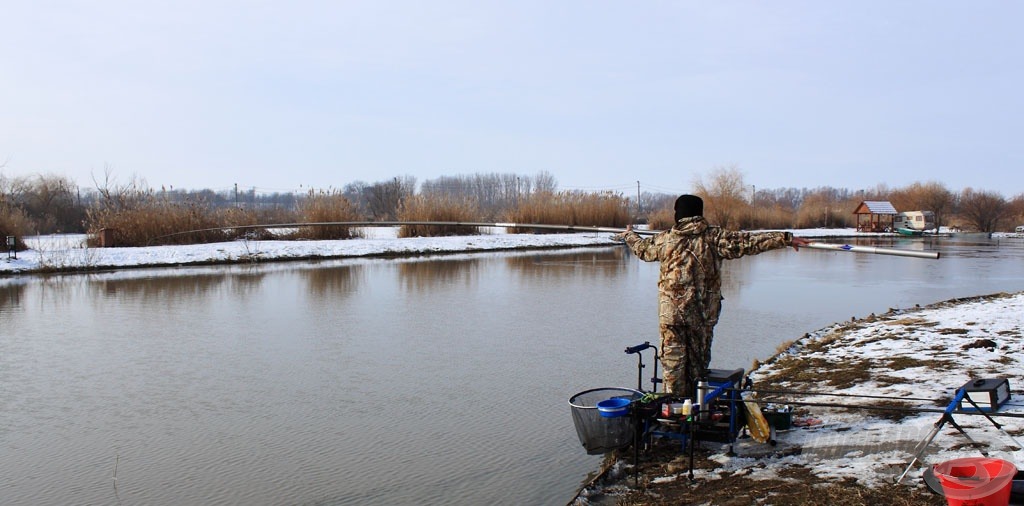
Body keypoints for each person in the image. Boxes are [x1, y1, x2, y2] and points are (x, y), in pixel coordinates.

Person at [617, 194, 810, 397]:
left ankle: (673, 413)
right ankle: (695, 412)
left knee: (672, 370)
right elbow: (749, 242)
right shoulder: (714, 238)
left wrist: (628, 235)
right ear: (699, 213)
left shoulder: (665, 239)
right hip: (701, 317)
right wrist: (785, 239)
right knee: (697, 370)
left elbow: (642, 249)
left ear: (679, 214)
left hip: (671, 316)